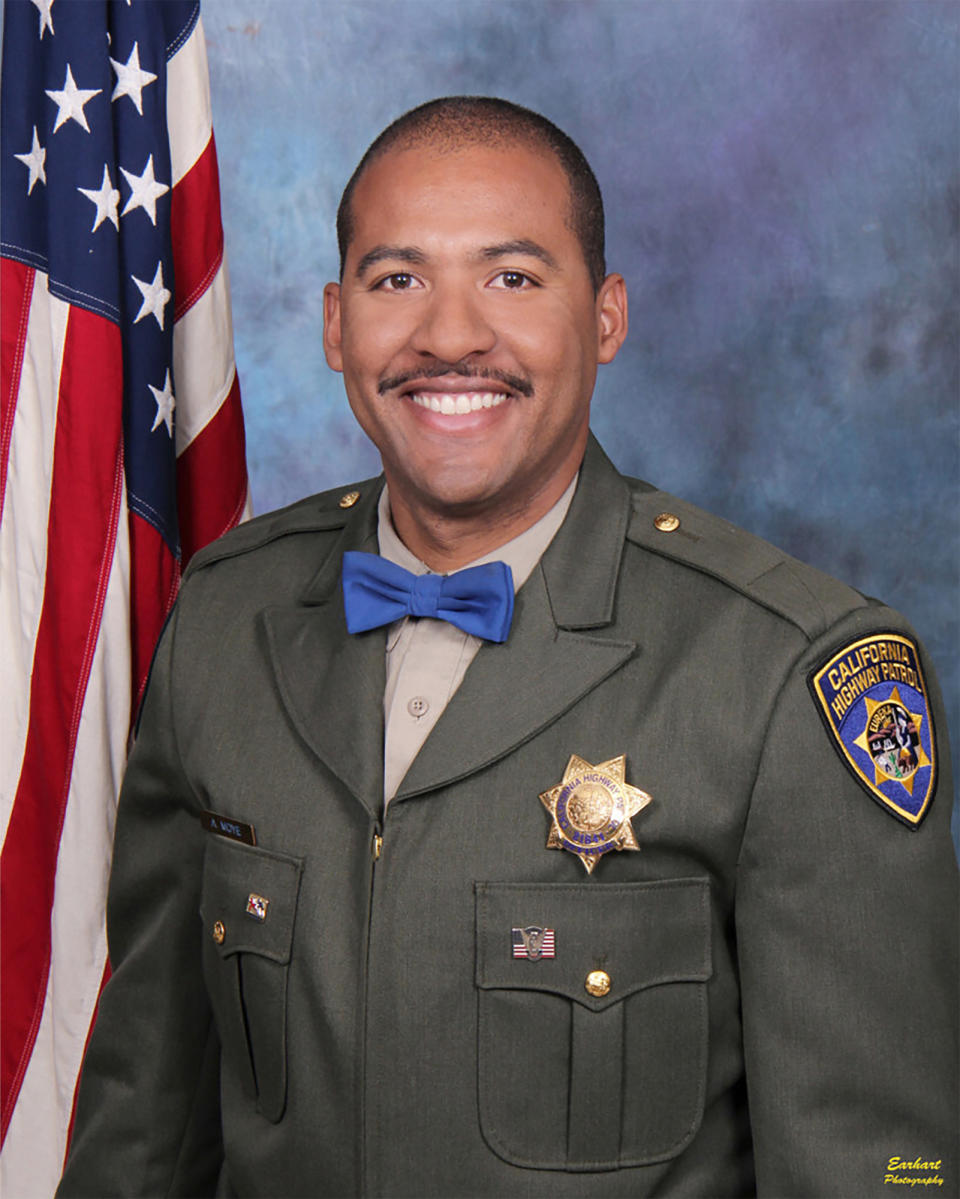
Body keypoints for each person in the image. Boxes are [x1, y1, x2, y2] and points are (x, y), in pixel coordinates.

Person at [59, 96, 957, 1198]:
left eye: (513, 278)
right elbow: (141, 1129)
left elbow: (878, 1174)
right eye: (398, 279)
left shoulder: (781, 673)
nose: (449, 335)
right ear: (336, 322)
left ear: (609, 316)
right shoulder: (223, 621)